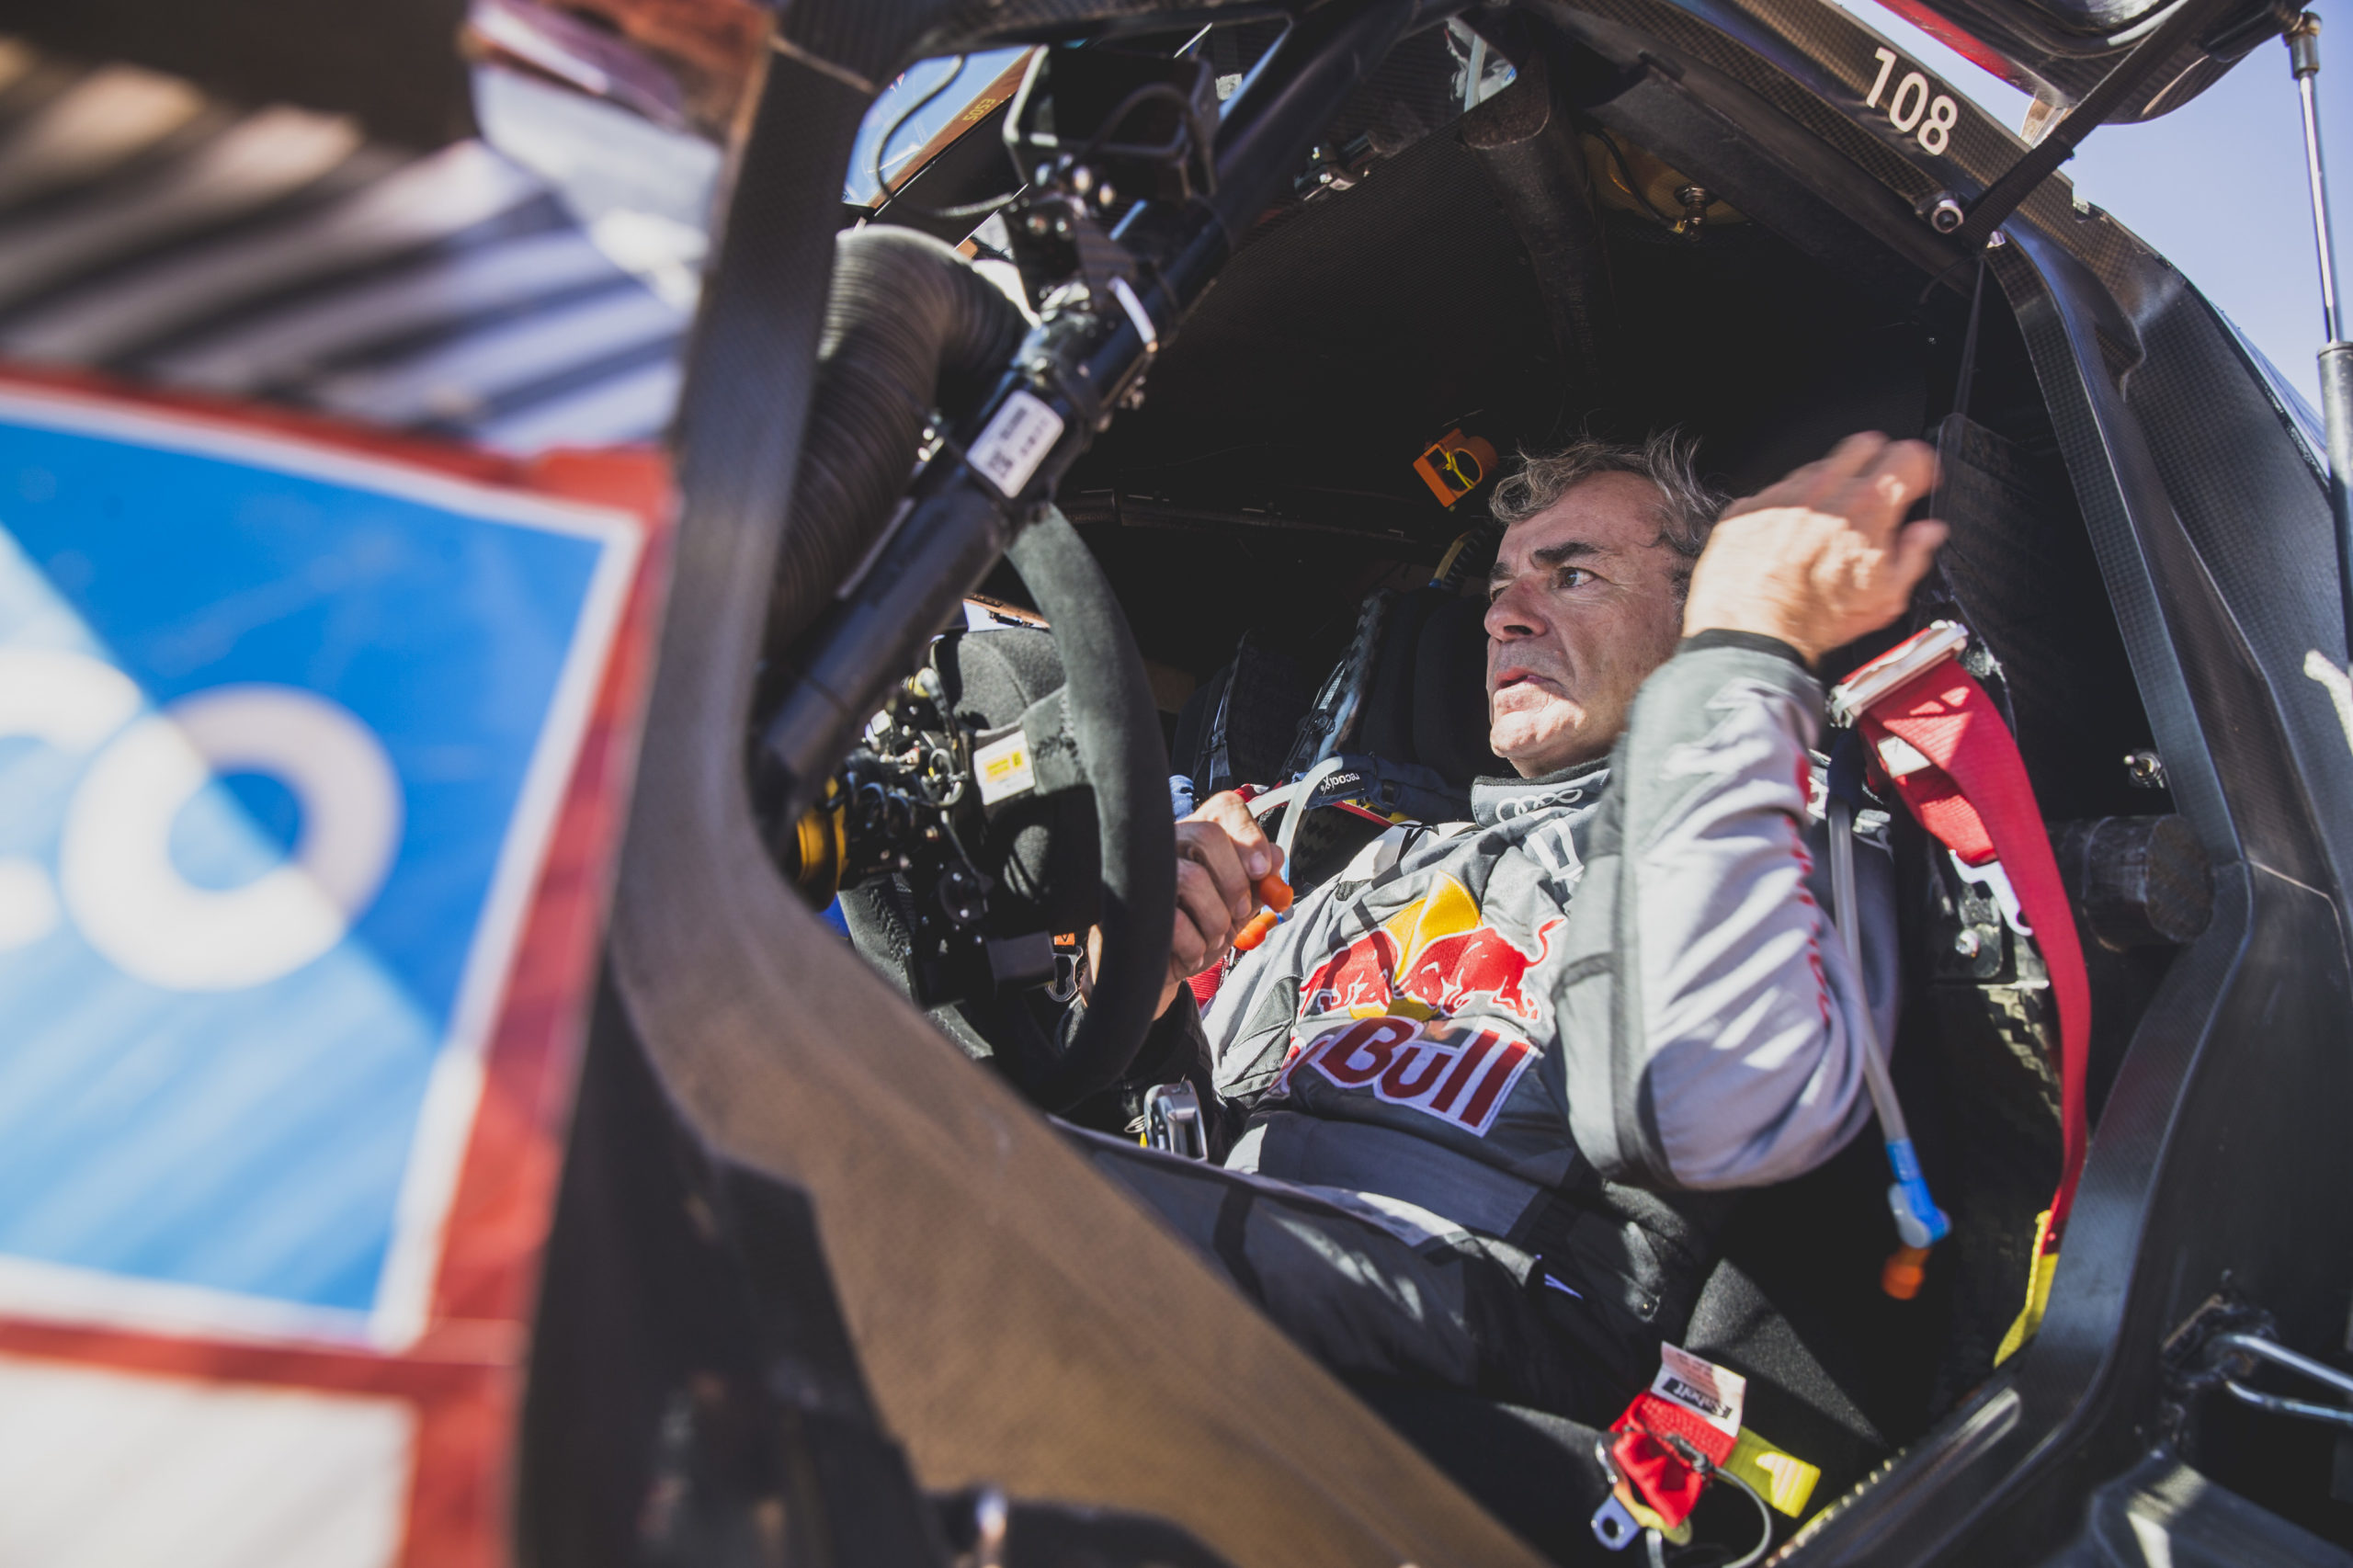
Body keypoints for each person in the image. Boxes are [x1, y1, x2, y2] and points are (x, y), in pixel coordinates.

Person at [1073, 428, 1948, 1421]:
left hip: (1513, 1339)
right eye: (1499, 589)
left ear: (1699, 611)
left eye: (1572, 575)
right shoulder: (1380, 870)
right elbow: (1194, 1139)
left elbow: (1673, 1103)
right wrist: (1144, 997)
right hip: (1253, 1269)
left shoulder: (1795, 836)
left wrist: (1733, 668)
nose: (1502, 617)